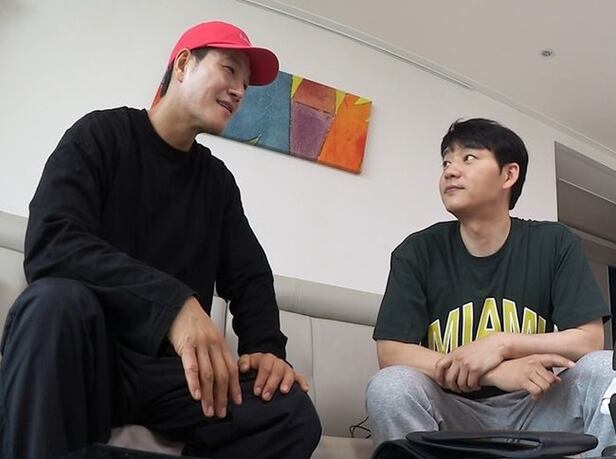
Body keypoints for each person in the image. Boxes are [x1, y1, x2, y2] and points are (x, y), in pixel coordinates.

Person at [0, 21, 321, 459]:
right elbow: (53, 242)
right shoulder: (100, 135)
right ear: (184, 64)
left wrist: (266, 349)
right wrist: (174, 306)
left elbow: (251, 278)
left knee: (291, 413)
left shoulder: (217, 184)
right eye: (229, 70)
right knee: (50, 303)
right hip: (91, 356)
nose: (239, 91)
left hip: (175, 376)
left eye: (245, 85)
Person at [366, 118, 615, 456]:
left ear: (508, 175)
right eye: (446, 162)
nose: (451, 171)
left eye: (468, 158)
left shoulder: (554, 242)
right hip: (453, 412)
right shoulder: (417, 251)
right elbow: (392, 352)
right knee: (390, 386)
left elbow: (589, 340)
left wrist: (502, 343)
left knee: (604, 368)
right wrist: (495, 372)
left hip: (537, 407)